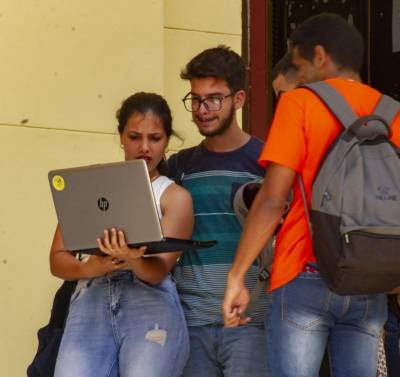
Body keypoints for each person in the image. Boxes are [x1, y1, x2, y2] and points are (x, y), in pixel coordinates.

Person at [223, 13, 400, 377]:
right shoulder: (392, 113)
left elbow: (272, 199)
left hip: (305, 272)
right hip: (370, 279)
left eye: (300, 65)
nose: (299, 76)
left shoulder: (300, 103)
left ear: (320, 56)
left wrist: (237, 276)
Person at [51, 92, 193, 377]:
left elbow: (157, 272)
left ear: (167, 140)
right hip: (90, 298)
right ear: (119, 135)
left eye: (155, 138)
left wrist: (133, 260)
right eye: (134, 136)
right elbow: (57, 260)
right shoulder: (90, 186)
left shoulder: (174, 196)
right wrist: (89, 267)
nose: (144, 147)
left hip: (149, 305)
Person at [167, 45, 269, 377]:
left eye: (213, 98)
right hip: (190, 322)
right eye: (195, 99)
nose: (202, 109)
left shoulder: (268, 163)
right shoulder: (180, 166)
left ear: (239, 99)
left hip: (251, 322)